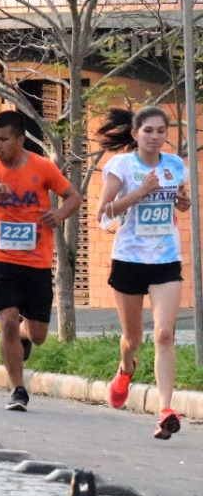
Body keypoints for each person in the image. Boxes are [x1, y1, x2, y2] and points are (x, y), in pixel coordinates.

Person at [0, 110, 81, 411]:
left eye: (3, 139)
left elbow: (73, 196)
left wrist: (59, 214)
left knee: (39, 335)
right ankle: (18, 389)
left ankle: (24, 335)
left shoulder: (42, 167)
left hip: (36, 262)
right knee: (7, 320)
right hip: (0, 259)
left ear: (20, 140)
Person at [94, 106, 191, 439]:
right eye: (148, 131)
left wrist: (182, 202)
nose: (155, 137)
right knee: (132, 339)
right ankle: (125, 369)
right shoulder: (121, 166)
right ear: (135, 134)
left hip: (166, 257)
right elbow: (103, 212)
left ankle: (165, 410)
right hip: (129, 259)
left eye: (161, 131)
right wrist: (138, 193)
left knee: (164, 334)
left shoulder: (175, 165)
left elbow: (179, 202)